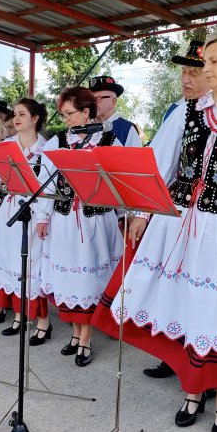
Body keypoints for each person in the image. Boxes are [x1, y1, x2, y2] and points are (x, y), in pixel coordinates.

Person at [92, 27, 217, 432]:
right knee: (183, 303)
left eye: (214, 61)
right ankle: (192, 388)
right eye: (205, 61)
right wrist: (144, 212)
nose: (207, 69)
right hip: (177, 220)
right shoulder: (188, 113)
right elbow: (158, 165)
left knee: (214, 310)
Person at [34, 86, 123, 367]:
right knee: (67, 280)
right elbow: (44, 182)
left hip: (95, 221)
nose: (66, 119)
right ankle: (74, 333)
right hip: (64, 221)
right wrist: (42, 217)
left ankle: (85, 337)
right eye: (63, 114)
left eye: (70, 113)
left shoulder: (110, 140)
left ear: (86, 112)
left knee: (88, 279)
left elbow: (123, 182)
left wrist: (125, 215)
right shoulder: (57, 141)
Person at [144, 40, 211, 380]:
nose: (185, 79)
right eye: (183, 71)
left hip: (216, 219)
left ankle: (206, 362)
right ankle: (172, 355)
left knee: (203, 290)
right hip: (179, 213)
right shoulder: (181, 112)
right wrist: (142, 214)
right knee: (172, 285)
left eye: (193, 71)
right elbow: (158, 165)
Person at [0, 98, 51, 345]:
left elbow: (49, 184)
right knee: (13, 264)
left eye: (22, 114)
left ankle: (44, 320)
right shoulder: (6, 145)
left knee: (33, 266)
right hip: (10, 208)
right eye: (15, 114)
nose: (16, 118)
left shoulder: (47, 148)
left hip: (35, 211)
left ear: (35, 118)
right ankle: (19, 315)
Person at [88, 76, 141, 147]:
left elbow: (137, 158)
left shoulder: (127, 130)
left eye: (97, 99)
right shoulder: (83, 127)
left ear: (113, 102)